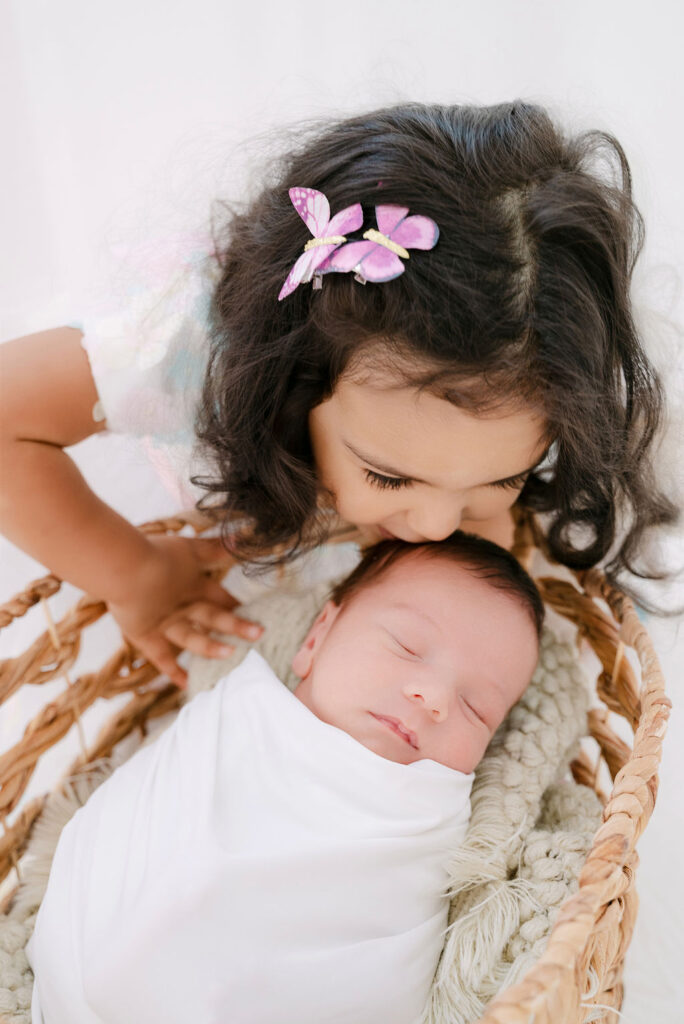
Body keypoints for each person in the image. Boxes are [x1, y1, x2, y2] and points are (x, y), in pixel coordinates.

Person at [0, 102, 676, 688]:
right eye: (388, 475)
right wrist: (136, 576)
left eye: (501, 477)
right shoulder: (185, 352)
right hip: (133, 499)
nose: (442, 526)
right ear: (291, 388)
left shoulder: (541, 364)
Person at [27, 532, 544, 1024]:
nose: (433, 698)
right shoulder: (237, 717)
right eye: (407, 646)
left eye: (477, 709)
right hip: (84, 973)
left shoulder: (433, 814)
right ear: (316, 638)